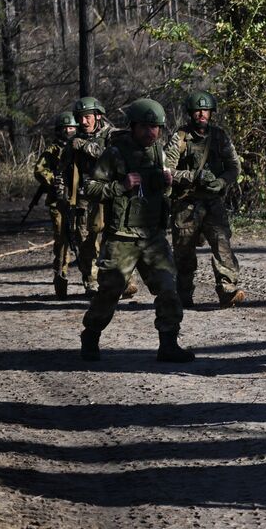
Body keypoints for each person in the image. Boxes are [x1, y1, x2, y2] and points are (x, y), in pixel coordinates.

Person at [79, 98, 194, 363]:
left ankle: (168, 343)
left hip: (153, 236)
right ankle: (91, 334)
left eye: (156, 127)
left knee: (168, 288)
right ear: (133, 126)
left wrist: (167, 184)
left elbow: (160, 194)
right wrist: (120, 185)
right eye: (145, 126)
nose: (151, 132)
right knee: (110, 290)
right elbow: (91, 188)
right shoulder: (115, 154)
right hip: (122, 237)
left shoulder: (159, 153)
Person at [165, 91, 244, 308]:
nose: (202, 114)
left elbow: (234, 166)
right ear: (191, 113)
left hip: (213, 203)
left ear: (211, 113)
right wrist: (193, 176)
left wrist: (222, 182)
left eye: (206, 110)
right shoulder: (180, 138)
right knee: (184, 255)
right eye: (198, 110)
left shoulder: (219, 136)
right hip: (186, 204)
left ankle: (228, 290)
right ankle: (183, 295)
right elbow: (167, 171)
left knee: (222, 246)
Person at [66, 96, 115, 298]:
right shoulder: (74, 140)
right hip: (85, 198)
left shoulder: (112, 135)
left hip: (110, 194)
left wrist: (85, 146)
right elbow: (65, 169)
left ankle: (119, 278)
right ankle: (92, 280)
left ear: (98, 116)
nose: (83, 122)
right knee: (86, 240)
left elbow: (112, 156)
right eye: (80, 118)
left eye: (87, 117)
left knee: (115, 238)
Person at [33, 111, 80, 299]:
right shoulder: (53, 150)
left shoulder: (81, 147)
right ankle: (61, 277)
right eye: (65, 128)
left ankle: (89, 280)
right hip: (58, 202)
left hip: (79, 200)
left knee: (84, 239)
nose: (69, 131)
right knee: (62, 241)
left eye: (71, 128)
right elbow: (39, 170)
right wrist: (54, 179)